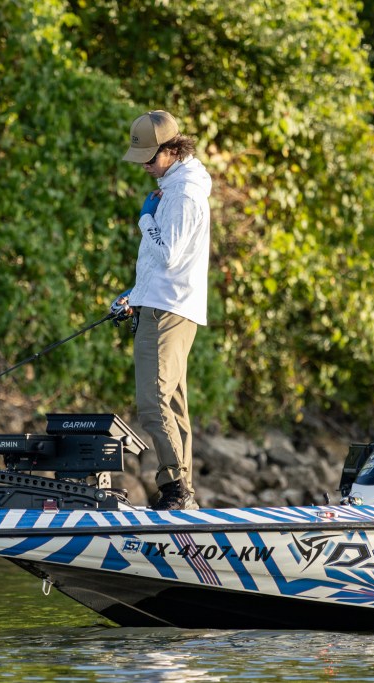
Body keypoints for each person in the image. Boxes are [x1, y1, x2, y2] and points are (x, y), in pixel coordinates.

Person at [111, 110, 212, 511]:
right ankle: (183, 495)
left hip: (166, 311)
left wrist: (145, 220)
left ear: (172, 149)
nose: (146, 166)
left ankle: (176, 489)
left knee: (153, 403)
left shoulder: (183, 195)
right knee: (172, 404)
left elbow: (168, 254)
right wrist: (135, 294)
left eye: (150, 158)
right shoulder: (177, 187)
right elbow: (167, 262)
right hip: (165, 304)